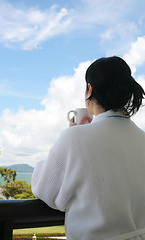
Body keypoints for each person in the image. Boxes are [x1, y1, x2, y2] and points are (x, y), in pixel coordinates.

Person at [31, 56, 145, 240]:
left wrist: (72, 137)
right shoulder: (142, 138)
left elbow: (45, 190)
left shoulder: (74, 138)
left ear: (89, 88)